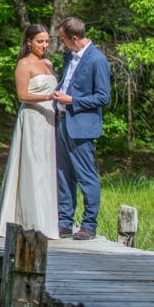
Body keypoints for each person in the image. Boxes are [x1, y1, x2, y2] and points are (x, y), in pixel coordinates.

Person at [0, 24, 59, 240]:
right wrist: (48, 98)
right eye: (40, 41)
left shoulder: (48, 63)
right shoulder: (24, 64)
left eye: (47, 41)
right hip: (31, 117)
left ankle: (46, 223)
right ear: (29, 41)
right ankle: (29, 221)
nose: (44, 46)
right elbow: (22, 95)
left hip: (49, 119)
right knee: (32, 167)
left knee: (46, 169)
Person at [52, 16, 111, 241]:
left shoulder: (97, 60)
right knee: (63, 175)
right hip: (62, 122)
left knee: (86, 176)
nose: (62, 43)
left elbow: (102, 97)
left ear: (74, 38)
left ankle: (89, 224)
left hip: (82, 126)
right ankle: (64, 222)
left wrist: (72, 100)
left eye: (63, 39)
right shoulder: (69, 56)